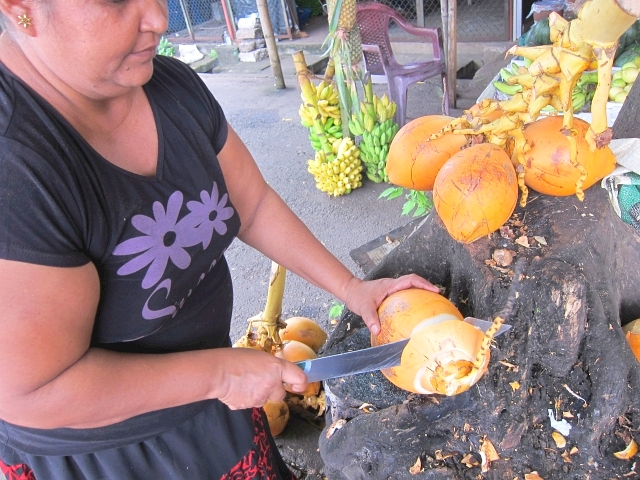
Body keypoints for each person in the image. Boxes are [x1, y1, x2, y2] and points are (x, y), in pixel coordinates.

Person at [0, 1, 439, 479]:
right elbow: (34, 392)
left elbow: (250, 205)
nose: (158, 19)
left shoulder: (168, 85)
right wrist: (220, 373)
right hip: (106, 453)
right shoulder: (16, 166)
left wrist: (353, 290)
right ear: (21, 9)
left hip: (213, 398)